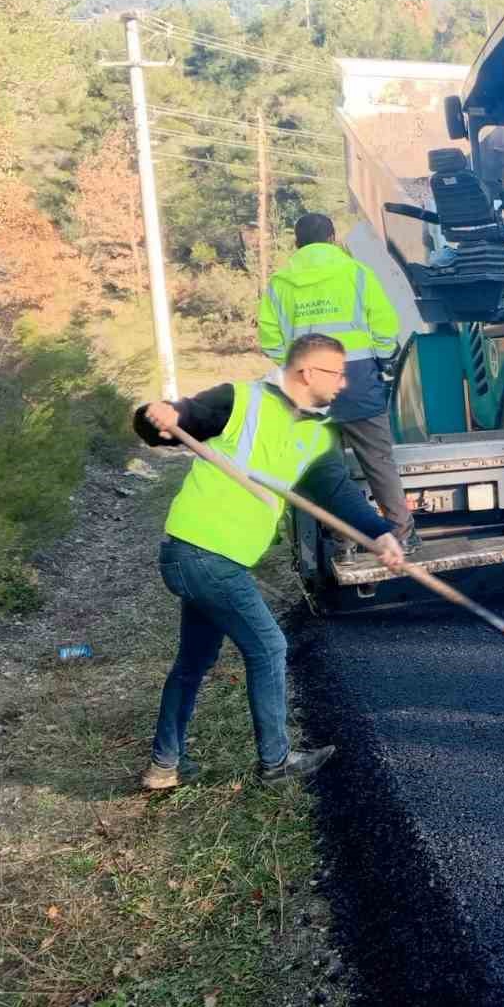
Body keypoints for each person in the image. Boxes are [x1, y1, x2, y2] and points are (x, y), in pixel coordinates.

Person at [134, 334, 407, 790]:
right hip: (202, 553)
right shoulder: (239, 400)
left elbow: (335, 491)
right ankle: (276, 764)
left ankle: (164, 766)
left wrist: (379, 532)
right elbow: (176, 419)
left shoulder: (316, 431)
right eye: (337, 373)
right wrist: (155, 414)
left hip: (215, 558)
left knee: (195, 659)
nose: (343, 384)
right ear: (307, 373)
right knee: (269, 648)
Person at [258, 213, 415, 546]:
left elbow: (270, 341)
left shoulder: (280, 284)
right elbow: (385, 326)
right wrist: (382, 356)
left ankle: (342, 544)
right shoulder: (356, 273)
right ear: (331, 238)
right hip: (357, 380)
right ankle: (401, 535)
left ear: (296, 243)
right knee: (378, 462)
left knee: (325, 468)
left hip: (309, 387)